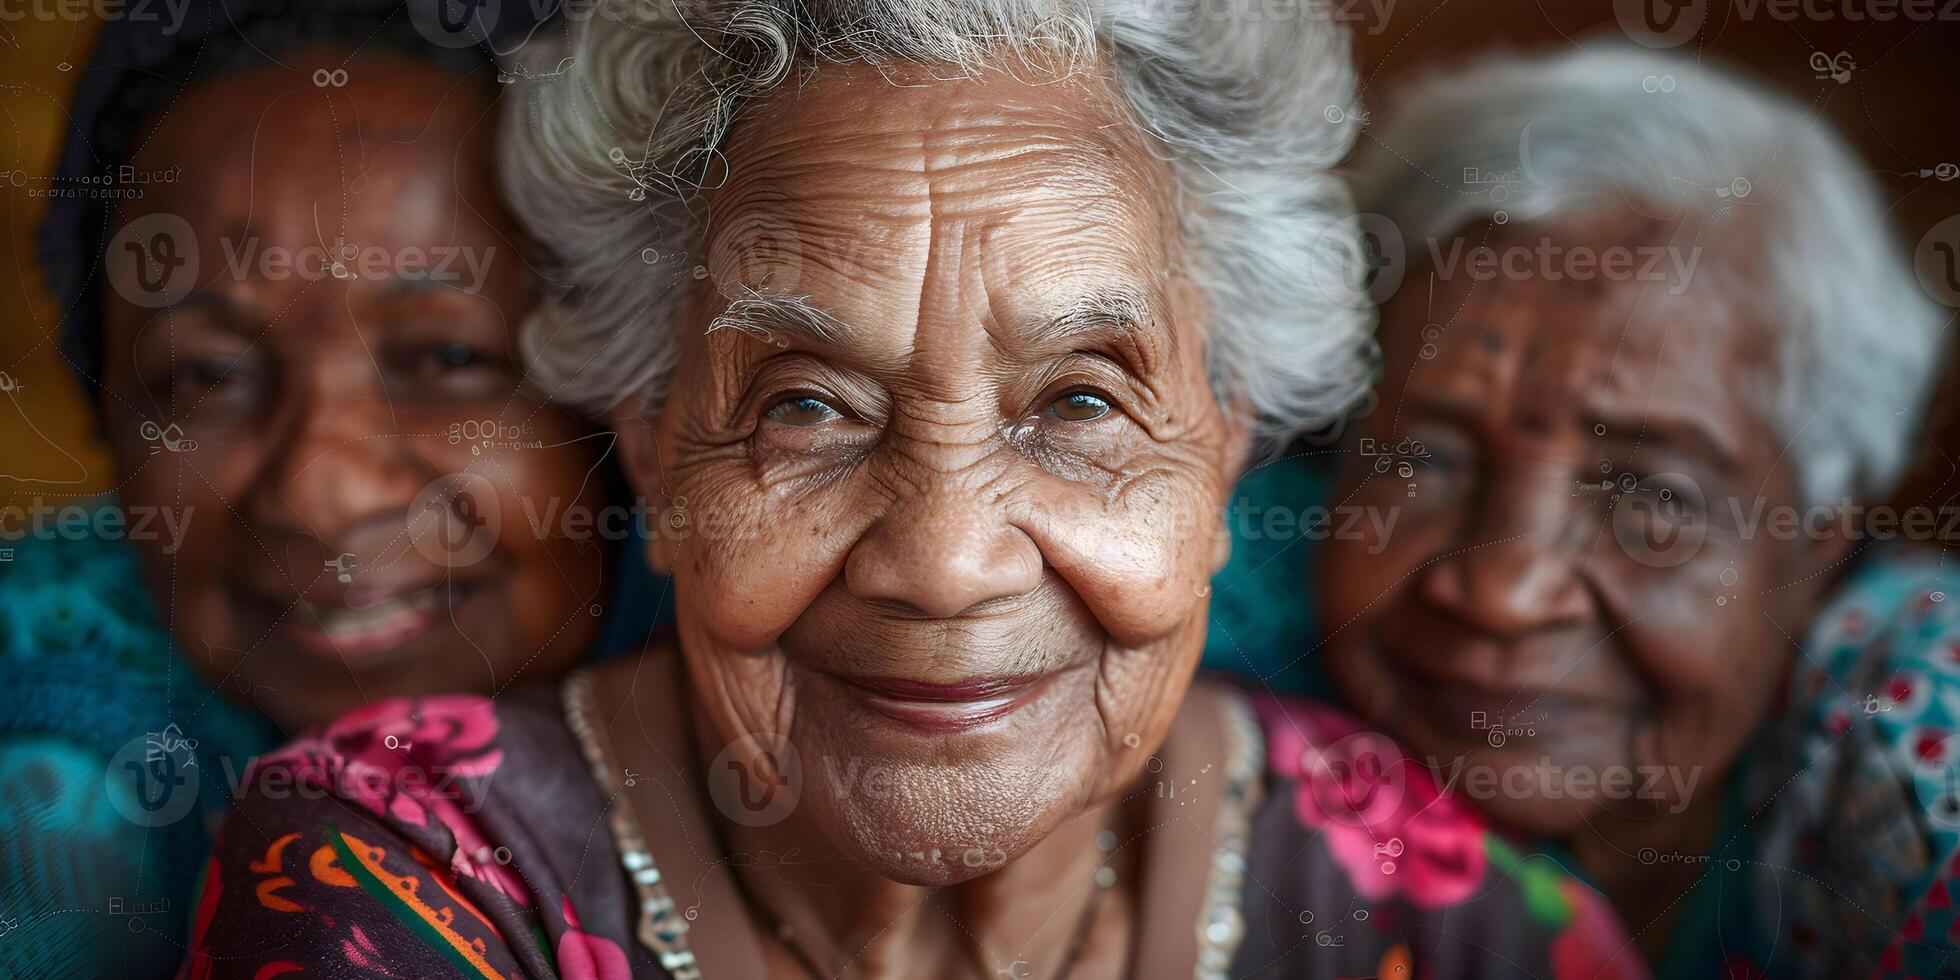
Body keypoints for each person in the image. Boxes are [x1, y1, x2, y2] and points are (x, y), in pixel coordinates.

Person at [181, 2, 1649, 977]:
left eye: (1080, 402)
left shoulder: (1423, 909)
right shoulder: (402, 871)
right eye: (807, 407)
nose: (944, 564)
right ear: (652, 443)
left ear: (1220, 451)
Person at [5, 2, 652, 974]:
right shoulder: (48, 790)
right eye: (206, 375)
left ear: (631, 395)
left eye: (446, 354)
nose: (322, 491)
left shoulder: (818, 658)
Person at [1313, 43, 1950, 974]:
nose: (1504, 591)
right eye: (1422, 461)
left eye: (1650, 499)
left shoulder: (1922, 758)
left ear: (1818, 546)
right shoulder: (1210, 600)